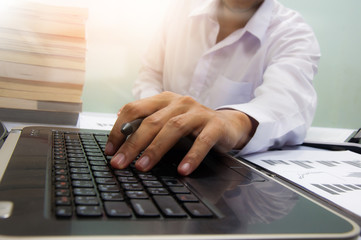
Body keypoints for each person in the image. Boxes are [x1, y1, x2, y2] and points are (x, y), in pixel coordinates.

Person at [105, 0, 320, 176]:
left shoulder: (293, 33)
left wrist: (233, 122)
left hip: (221, 177)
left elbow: (287, 104)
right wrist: (155, 114)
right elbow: (150, 73)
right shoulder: (180, 8)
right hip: (157, 158)